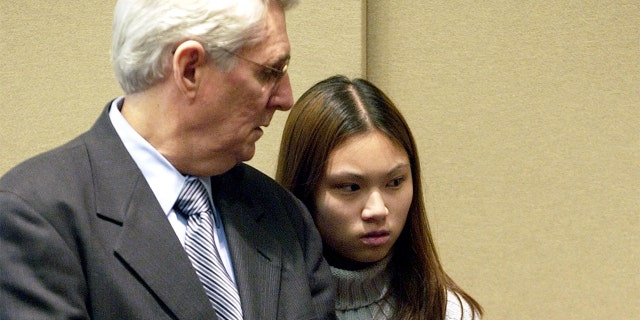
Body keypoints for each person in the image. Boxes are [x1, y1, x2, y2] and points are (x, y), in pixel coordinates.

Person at [0, 1, 336, 319]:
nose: (285, 98)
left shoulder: (283, 216)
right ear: (190, 69)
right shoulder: (36, 218)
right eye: (270, 72)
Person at [276, 75, 484, 320]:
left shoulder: (448, 311)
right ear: (305, 189)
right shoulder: (259, 304)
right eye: (351, 187)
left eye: (395, 182)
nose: (378, 210)